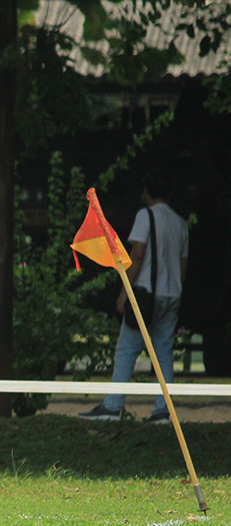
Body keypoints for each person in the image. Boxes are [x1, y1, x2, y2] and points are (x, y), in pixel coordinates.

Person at [79, 171, 189, 423]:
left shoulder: (145, 216)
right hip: (171, 294)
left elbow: (137, 254)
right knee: (163, 352)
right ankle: (163, 411)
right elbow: (184, 264)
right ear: (169, 194)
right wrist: (176, 290)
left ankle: (112, 406)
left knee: (127, 349)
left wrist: (124, 291)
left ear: (146, 192)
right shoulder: (179, 223)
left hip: (146, 294)